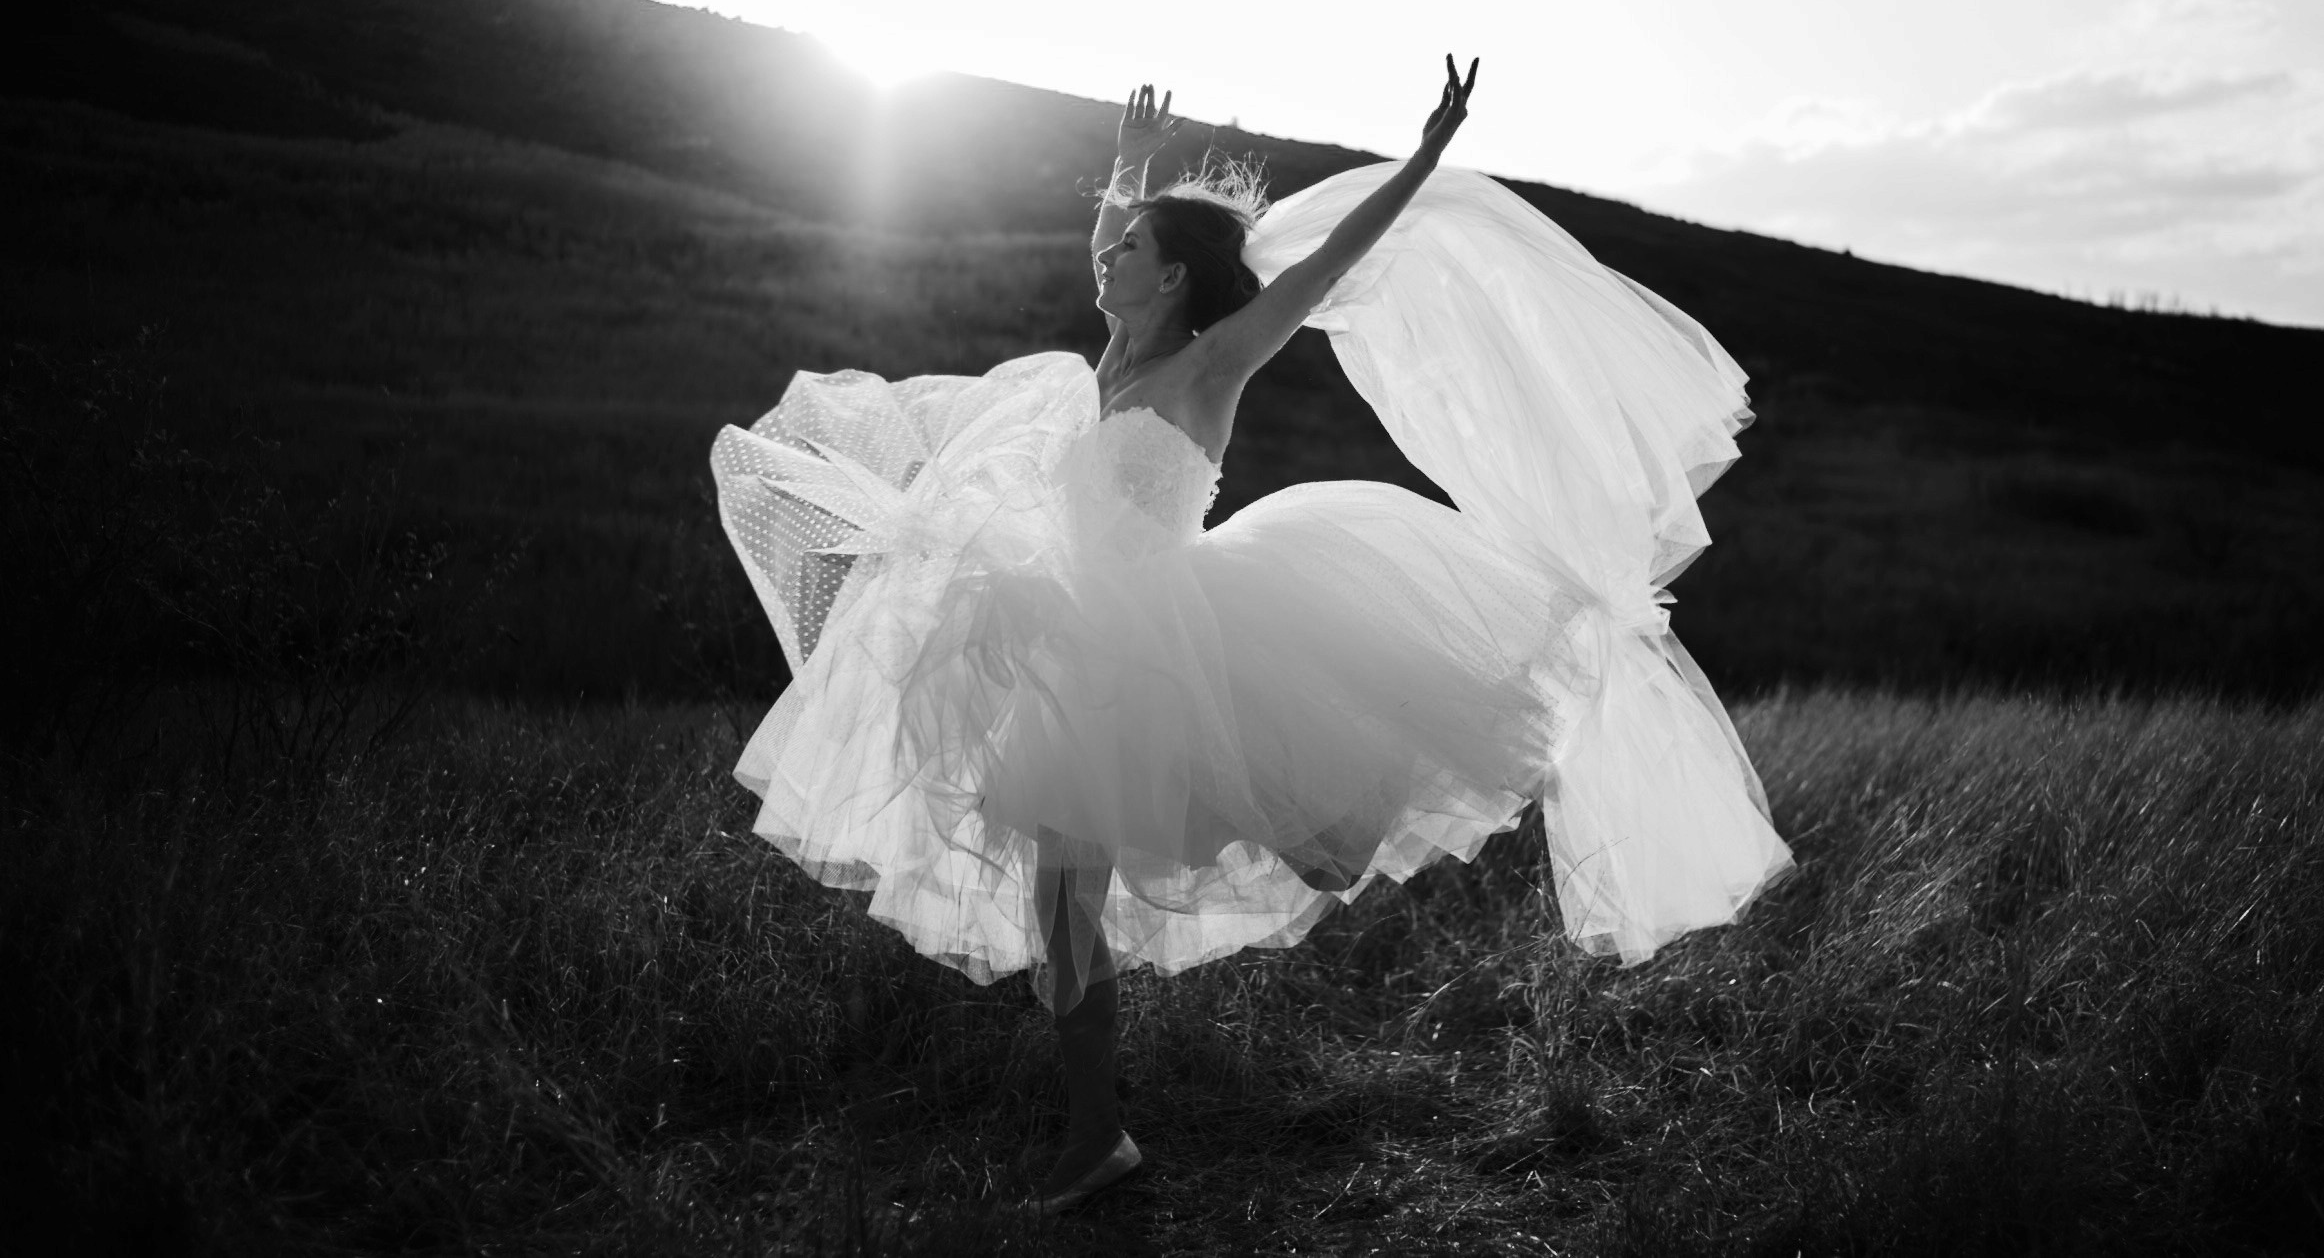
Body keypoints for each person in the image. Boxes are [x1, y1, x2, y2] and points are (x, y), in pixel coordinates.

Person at [711, 59, 1792, 1213]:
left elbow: (1330, 267)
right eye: (1115, 242)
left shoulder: (1209, 362)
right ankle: (1099, 1135)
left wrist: (1422, 160)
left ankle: (1142, 1077)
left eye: (1131, 247)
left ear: (1173, 277)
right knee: (1065, 908)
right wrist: (1128, 166)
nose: (1109, 251)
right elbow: (1103, 251)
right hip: (1085, 636)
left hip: (1158, 628)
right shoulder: (1117, 350)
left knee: (1207, 855)